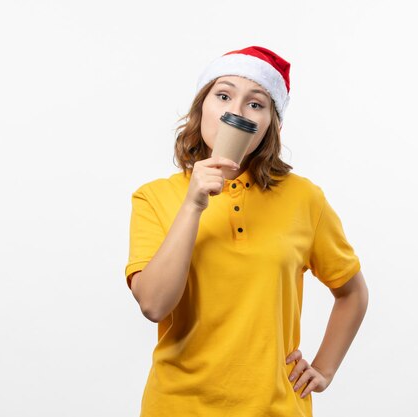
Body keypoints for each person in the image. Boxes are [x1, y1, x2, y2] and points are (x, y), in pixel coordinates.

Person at [125, 45, 369, 417]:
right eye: (223, 95)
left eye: (256, 104)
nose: (235, 112)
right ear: (201, 107)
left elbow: (351, 292)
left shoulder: (305, 199)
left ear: (272, 124)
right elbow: (154, 305)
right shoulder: (154, 198)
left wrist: (324, 368)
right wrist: (192, 204)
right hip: (176, 407)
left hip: (276, 409)